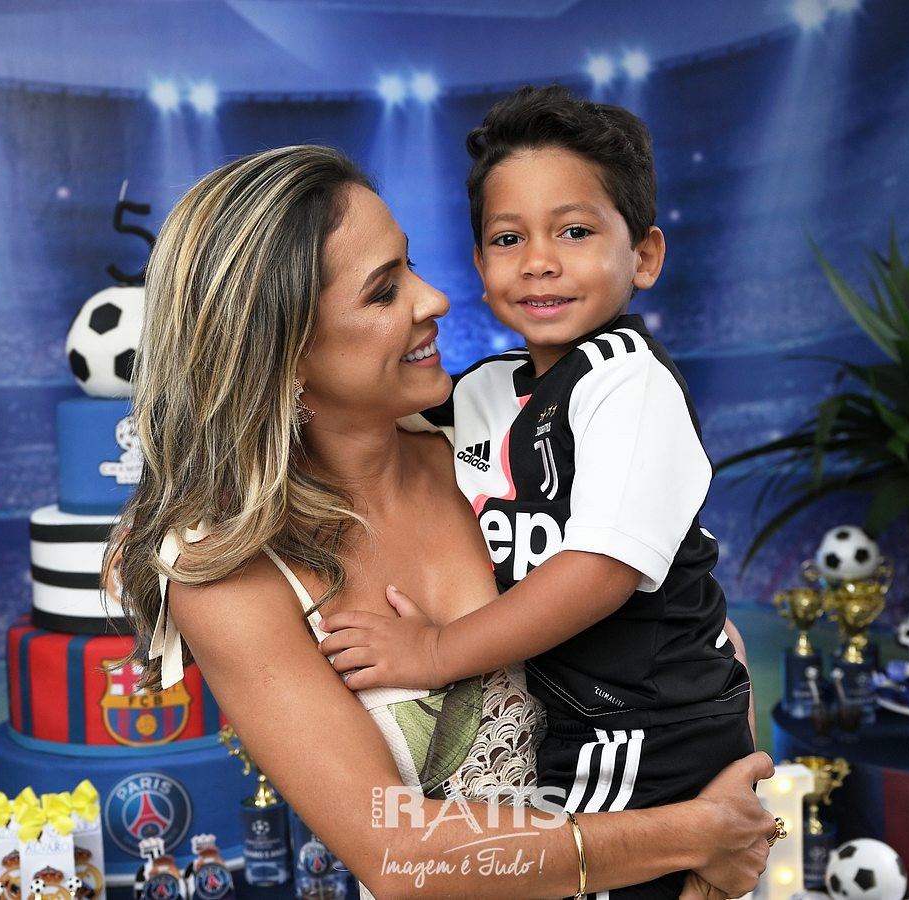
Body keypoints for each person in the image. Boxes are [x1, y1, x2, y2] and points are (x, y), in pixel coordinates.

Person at [111, 143, 776, 899]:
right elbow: (398, 854)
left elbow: (701, 631)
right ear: (282, 354)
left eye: (413, 265)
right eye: (384, 291)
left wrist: (726, 830)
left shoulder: (496, 441)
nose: (434, 300)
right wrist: (689, 835)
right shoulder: (228, 574)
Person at [319, 86, 755, 898]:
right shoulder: (485, 389)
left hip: (648, 722)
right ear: (480, 265)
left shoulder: (630, 384)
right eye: (508, 238)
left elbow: (599, 572)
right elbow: (352, 418)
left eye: (575, 231)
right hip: (580, 719)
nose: (539, 261)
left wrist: (436, 651)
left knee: (574, 873)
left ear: (645, 256)